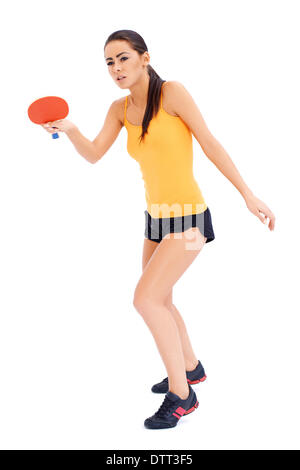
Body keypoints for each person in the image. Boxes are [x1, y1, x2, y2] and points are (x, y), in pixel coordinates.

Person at [41, 29, 276, 430]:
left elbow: (209, 141)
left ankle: (183, 395)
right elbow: (95, 155)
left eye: (123, 58)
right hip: (156, 218)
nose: (116, 68)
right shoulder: (119, 109)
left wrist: (247, 194)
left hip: (188, 217)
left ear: (144, 58)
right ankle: (191, 367)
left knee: (145, 299)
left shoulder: (173, 94)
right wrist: (70, 129)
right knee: (161, 300)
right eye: (109, 62)